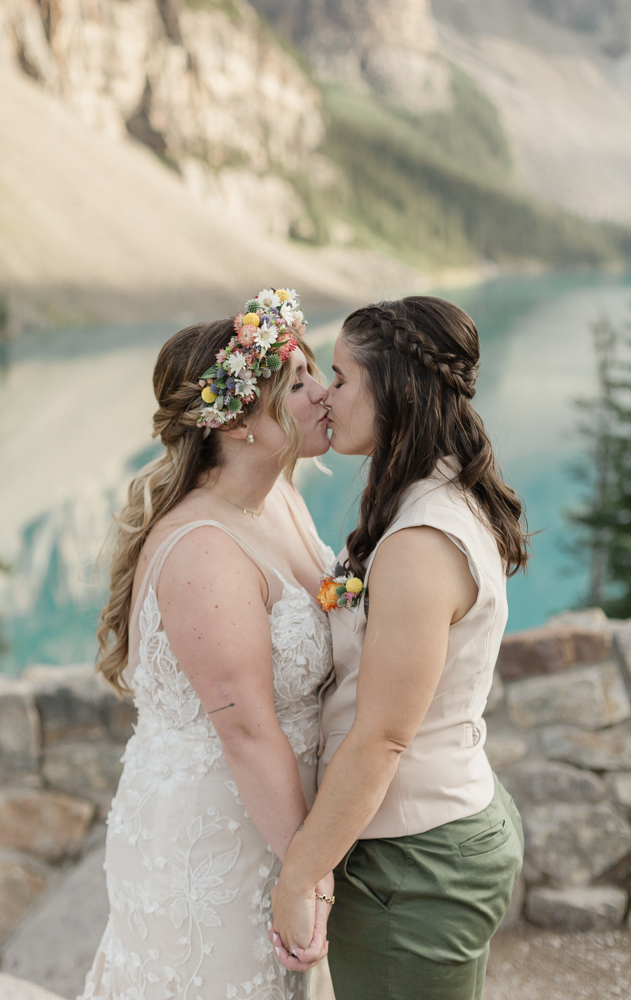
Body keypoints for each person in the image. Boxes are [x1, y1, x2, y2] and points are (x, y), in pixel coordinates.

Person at [78, 289, 336, 1000]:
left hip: (277, 820)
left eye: (315, 375)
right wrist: (307, 874)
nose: (324, 396)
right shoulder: (202, 550)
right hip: (214, 837)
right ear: (238, 422)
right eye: (298, 384)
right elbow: (249, 731)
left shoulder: (279, 496)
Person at [269, 296, 527, 1000]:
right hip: (428, 836)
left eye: (343, 377)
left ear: (399, 390)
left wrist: (300, 874)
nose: (326, 393)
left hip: (415, 863)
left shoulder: (419, 541)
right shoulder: (429, 494)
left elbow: (383, 736)